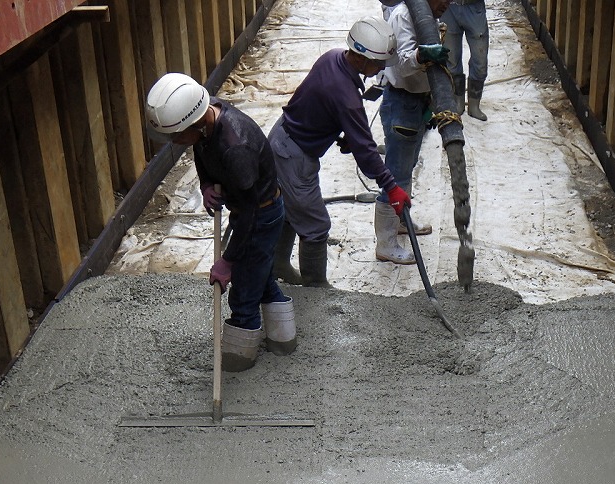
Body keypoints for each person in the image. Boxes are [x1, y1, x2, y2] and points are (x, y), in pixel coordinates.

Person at [145, 73, 296, 372]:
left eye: (176, 135)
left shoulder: (235, 148)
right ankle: (283, 340)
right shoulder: (206, 114)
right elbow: (200, 152)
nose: (173, 142)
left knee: (243, 292)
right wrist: (206, 184)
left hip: (260, 215)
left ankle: (238, 362)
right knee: (259, 276)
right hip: (250, 210)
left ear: (198, 124)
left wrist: (227, 261)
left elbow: (250, 216)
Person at [268, 16, 417, 283]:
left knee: (293, 211)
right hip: (293, 155)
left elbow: (317, 101)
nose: (381, 67)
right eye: (379, 62)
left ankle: (278, 266)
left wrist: (341, 129)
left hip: (284, 137)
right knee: (315, 225)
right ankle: (316, 290)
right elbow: (366, 151)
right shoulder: (346, 97)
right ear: (361, 57)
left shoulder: (332, 57)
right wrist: (391, 186)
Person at [378, 0, 451, 263]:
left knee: (405, 170)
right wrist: (422, 56)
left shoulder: (427, 14)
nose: (448, 4)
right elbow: (402, 65)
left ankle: (399, 221)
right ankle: (386, 244)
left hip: (416, 102)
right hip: (402, 102)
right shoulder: (402, 16)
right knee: (395, 176)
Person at [441, 0, 489, 121]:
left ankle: (474, 105)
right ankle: (458, 101)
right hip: (449, 7)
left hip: (474, 6)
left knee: (480, 59)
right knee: (451, 58)